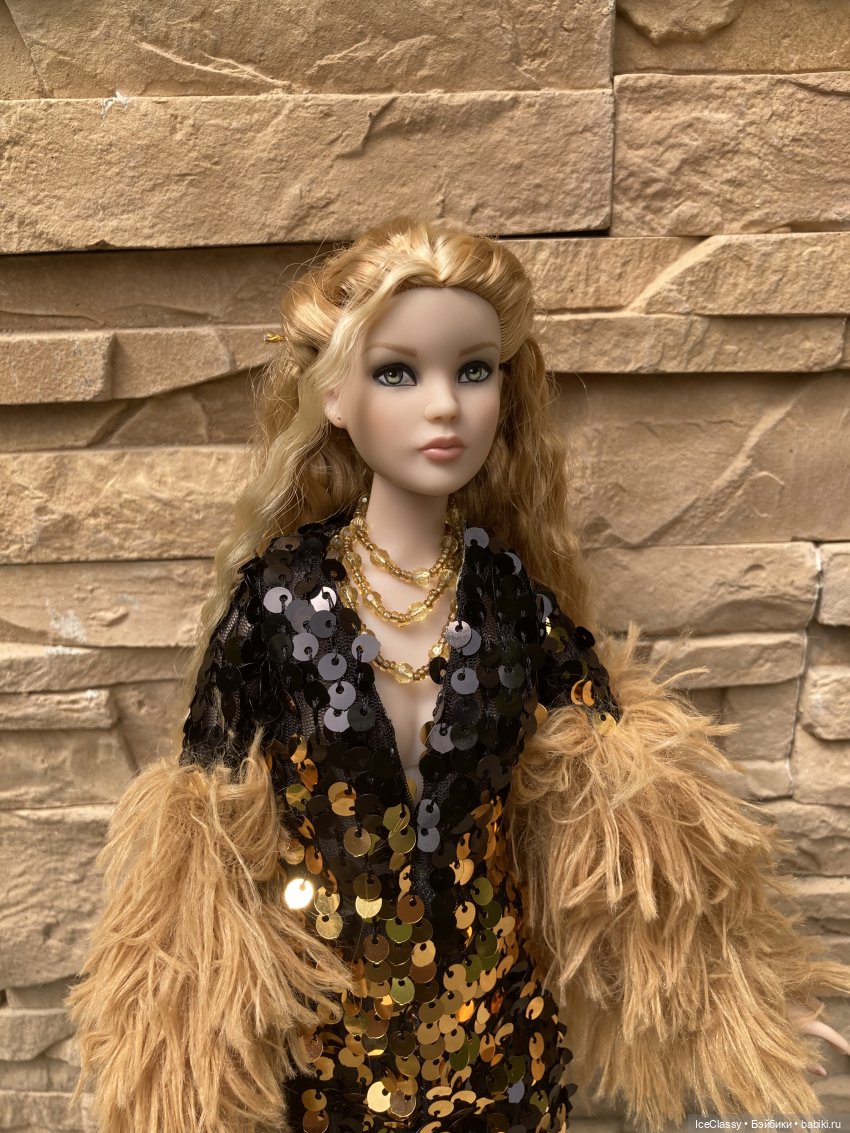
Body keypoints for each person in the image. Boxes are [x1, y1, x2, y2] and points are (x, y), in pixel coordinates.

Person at [65, 217, 850, 1133]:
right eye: (398, 372)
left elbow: (629, 823)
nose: (445, 406)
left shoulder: (512, 601)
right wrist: (171, 1060)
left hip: (503, 1051)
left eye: (473, 370)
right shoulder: (279, 603)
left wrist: (737, 996)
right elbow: (204, 845)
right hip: (331, 1059)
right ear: (334, 395)